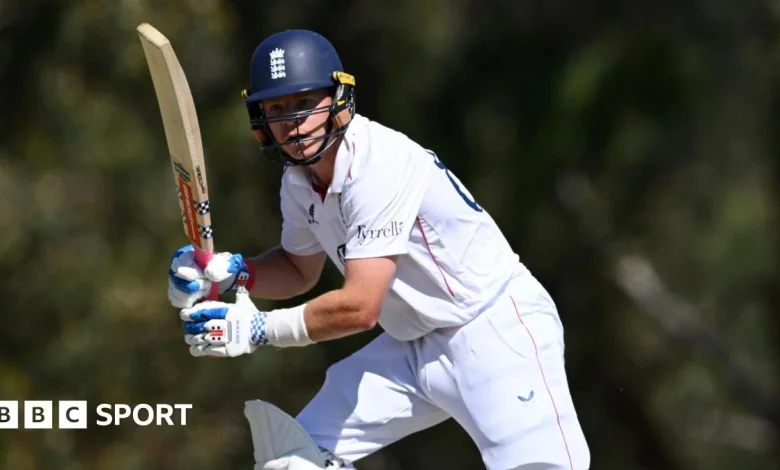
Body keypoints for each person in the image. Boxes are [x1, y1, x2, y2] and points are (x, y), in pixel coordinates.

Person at [168, 29, 590, 470]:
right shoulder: (298, 183)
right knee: (292, 461)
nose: (292, 120)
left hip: (494, 331)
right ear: (260, 120)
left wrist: (257, 329)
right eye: (276, 107)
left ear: (338, 100)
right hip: (411, 347)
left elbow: (361, 306)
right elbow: (298, 270)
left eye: (304, 102)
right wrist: (236, 273)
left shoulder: (378, 164)